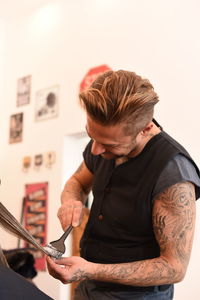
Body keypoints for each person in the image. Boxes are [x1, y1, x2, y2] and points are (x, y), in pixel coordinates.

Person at [46, 70, 200, 300]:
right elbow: (77, 181)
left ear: (145, 128)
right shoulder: (102, 144)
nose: (95, 150)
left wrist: (91, 269)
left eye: (108, 145)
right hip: (89, 287)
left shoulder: (172, 173)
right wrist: (70, 201)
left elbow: (174, 268)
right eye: (91, 136)